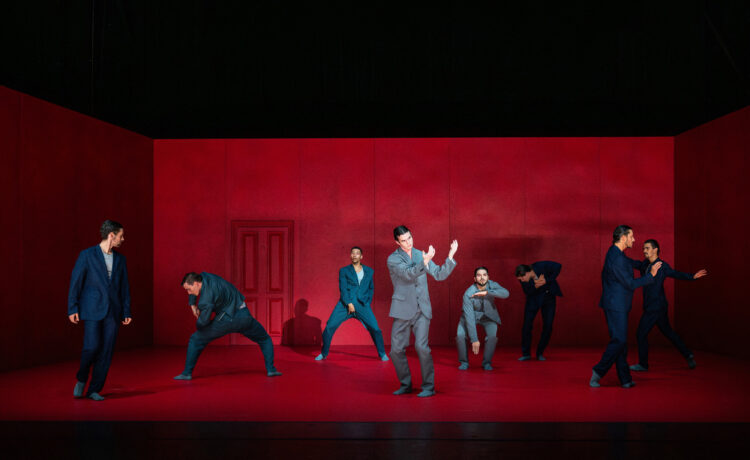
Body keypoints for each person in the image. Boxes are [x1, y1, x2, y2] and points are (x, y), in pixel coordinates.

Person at [387, 226, 457, 398]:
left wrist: (450, 256)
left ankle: (428, 387)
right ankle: (406, 384)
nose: (408, 242)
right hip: (402, 310)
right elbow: (407, 274)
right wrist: (424, 262)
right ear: (397, 242)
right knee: (396, 350)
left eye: (409, 238)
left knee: (422, 347)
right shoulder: (393, 259)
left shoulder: (421, 254)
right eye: (403, 240)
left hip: (422, 309)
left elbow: (439, 274)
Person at [68, 220, 132, 401]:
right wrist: (72, 307)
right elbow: (76, 282)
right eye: (121, 236)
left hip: (113, 311)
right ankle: (82, 377)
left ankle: (94, 389)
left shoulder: (120, 259)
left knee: (106, 350)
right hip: (92, 309)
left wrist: (126, 311)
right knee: (91, 347)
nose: (123, 239)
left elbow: (124, 287)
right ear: (111, 235)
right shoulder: (87, 255)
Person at [173, 272, 281, 380]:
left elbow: (203, 323)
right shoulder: (205, 276)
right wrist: (192, 304)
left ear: (196, 283)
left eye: (189, 289)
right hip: (244, 315)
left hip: (227, 320)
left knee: (195, 339)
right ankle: (271, 370)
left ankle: (186, 373)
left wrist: (199, 325)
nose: (188, 292)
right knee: (265, 339)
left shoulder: (206, 299)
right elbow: (194, 288)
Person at [590, 225, 661, 389]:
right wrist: (651, 275)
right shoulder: (617, 259)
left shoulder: (617, 253)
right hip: (616, 305)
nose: (634, 240)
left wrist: (650, 261)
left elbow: (632, 263)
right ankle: (598, 371)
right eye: (631, 237)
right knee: (619, 340)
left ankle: (625, 379)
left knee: (620, 341)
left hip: (616, 304)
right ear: (623, 238)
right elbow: (630, 284)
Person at [628, 239, 707, 371]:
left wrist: (692, 276)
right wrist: (619, 255)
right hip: (655, 307)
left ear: (655, 250)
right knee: (668, 332)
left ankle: (643, 364)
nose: (644, 251)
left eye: (647, 248)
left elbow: (675, 274)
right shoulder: (645, 264)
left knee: (641, 333)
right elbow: (633, 263)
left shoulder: (662, 266)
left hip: (656, 307)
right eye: (643, 248)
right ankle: (688, 354)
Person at [315, 246, 388, 361]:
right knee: (329, 327)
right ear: (350, 256)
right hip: (345, 304)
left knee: (375, 329)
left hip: (362, 304)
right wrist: (349, 303)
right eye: (353, 253)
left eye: (357, 253)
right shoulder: (344, 271)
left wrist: (367, 302)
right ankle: (324, 353)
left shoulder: (369, 271)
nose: (354, 255)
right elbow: (343, 289)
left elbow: (371, 288)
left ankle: (382, 353)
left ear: (361, 256)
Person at [456, 267, 509, 370]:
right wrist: (474, 339)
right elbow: (469, 317)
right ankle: (464, 362)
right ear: (475, 279)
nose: (482, 278)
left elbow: (506, 293)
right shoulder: (468, 294)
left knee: (492, 336)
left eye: (484, 275)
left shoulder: (492, 284)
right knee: (460, 335)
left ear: (488, 277)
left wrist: (488, 293)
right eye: (479, 275)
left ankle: (487, 363)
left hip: (488, 317)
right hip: (470, 317)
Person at [515, 261, 563, 361]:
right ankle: (526, 354)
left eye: (522, 278)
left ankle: (540, 353)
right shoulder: (523, 279)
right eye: (520, 279)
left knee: (548, 326)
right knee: (527, 326)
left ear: (527, 273)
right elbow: (528, 291)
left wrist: (546, 280)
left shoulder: (540, 266)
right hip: (533, 299)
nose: (522, 281)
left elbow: (558, 266)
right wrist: (537, 285)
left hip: (548, 298)